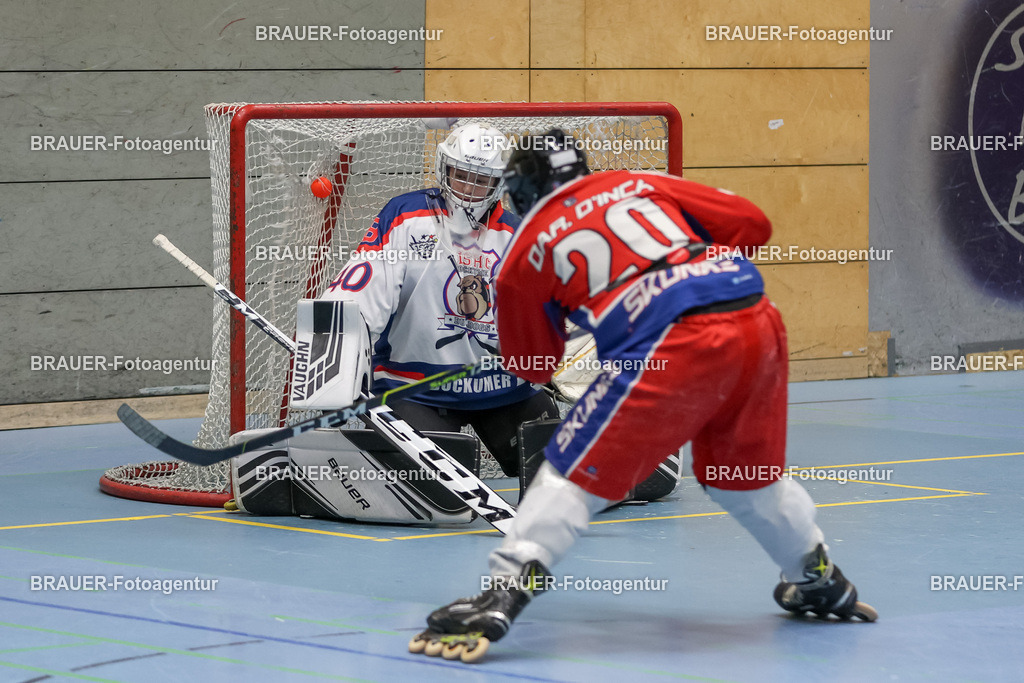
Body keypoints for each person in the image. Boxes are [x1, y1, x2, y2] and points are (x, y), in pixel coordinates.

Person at [409, 130, 876, 663]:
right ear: (581, 169)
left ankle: (502, 592)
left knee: (569, 467)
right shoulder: (637, 182)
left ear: (515, 192)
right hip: (754, 319)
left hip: (667, 343)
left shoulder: (525, 250)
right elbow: (754, 225)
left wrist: (582, 316)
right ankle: (818, 577)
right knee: (745, 480)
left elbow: (532, 365)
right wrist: (680, 272)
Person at [321, 124, 558, 477]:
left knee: (556, 474)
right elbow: (361, 288)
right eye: (460, 175)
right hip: (413, 387)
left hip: (498, 387)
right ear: (443, 168)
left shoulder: (518, 237)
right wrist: (334, 349)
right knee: (442, 489)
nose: (468, 188)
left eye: (481, 179)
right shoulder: (406, 216)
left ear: (498, 184)